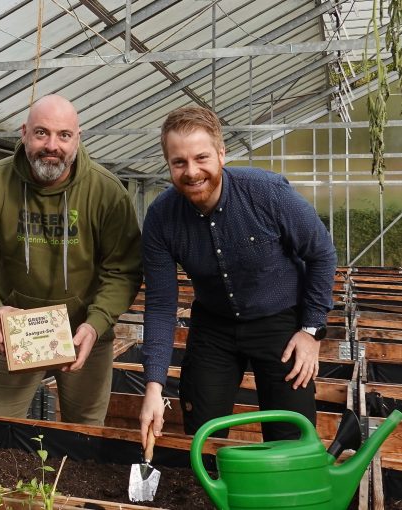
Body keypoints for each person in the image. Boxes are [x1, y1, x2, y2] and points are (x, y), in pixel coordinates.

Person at [139, 105, 337, 445]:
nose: (192, 171)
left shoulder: (267, 193)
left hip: (278, 320)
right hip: (214, 324)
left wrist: (311, 330)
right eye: (179, 162)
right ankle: (217, 492)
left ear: (221, 153)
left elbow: (321, 253)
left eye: (201, 158)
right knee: (202, 424)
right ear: (168, 163)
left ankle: (284, 493)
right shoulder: (161, 218)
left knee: (291, 429)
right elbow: (160, 304)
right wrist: (153, 387)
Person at [0, 94, 143, 425]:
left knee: (84, 433)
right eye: (41, 133)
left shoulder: (107, 192)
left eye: (63, 135)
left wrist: (96, 325)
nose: (52, 145)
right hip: (16, 332)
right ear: (24, 133)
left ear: (77, 138)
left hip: (83, 331)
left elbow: (122, 270)